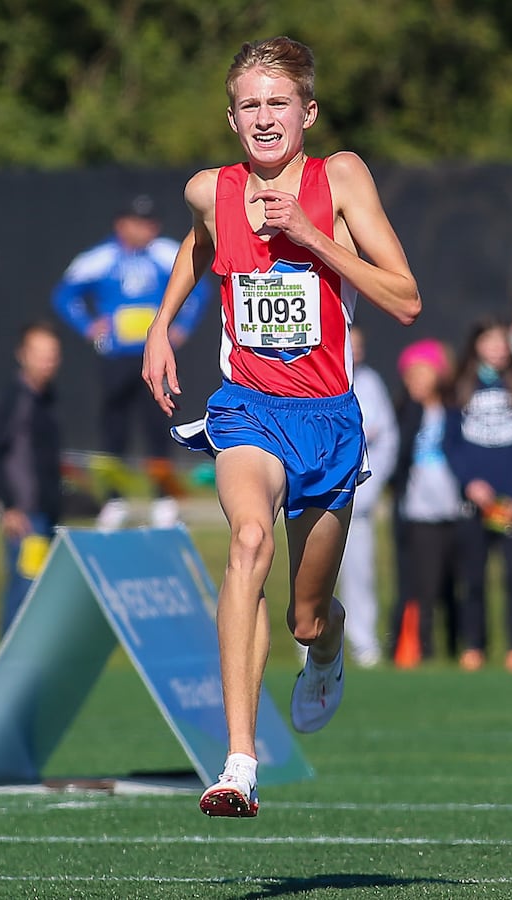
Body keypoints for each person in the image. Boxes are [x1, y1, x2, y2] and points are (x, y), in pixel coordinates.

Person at [140, 36, 421, 818]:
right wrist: (163, 323)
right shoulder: (211, 190)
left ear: (308, 112)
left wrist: (310, 235)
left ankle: (324, 651)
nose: (266, 119)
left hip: (329, 422)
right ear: (232, 119)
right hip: (248, 408)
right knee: (248, 542)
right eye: (250, 106)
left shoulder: (341, 178)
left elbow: (404, 298)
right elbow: (200, 245)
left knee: (305, 612)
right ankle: (239, 763)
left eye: (279, 104)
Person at [54, 194, 212, 530]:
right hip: (116, 356)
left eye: (151, 222)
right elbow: (65, 296)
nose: (147, 229)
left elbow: (201, 290)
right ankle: (114, 498)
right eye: (139, 222)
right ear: (121, 224)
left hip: (155, 358)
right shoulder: (99, 259)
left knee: (160, 426)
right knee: (114, 430)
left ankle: (165, 498)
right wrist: (89, 327)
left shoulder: (168, 253)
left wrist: (181, 327)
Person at [444, 319, 512, 672]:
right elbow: (450, 444)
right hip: (475, 501)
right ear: (476, 346)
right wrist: (470, 482)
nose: (498, 349)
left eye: (503, 342)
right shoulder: (460, 389)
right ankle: (475, 646)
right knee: (473, 576)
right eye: (490, 342)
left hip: (511, 503)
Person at [0, 322, 63, 636]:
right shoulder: (15, 400)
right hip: (26, 519)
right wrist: (10, 506)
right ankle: (7, 668)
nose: (47, 362)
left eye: (53, 355)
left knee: (42, 597)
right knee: (23, 596)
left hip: (47, 514)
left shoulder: (48, 398)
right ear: (22, 355)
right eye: (40, 354)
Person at [389, 338, 464, 662]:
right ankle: (420, 648)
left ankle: (457, 647)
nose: (415, 382)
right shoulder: (405, 413)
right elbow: (397, 459)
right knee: (422, 585)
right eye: (410, 376)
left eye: (423, 373)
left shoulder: (453, 412)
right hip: (419, 513)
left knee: (455, 585)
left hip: (454, 508)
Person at [338, 326, 398, 669]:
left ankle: (364, 641)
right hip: (319, 501)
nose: (354, 349)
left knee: (361, 574)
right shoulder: (316, 380)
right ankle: (314, 643)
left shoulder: (372, 384)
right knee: (315, 574)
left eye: (358, 344)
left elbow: (386, 441)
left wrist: (370, 489)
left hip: (359, 502)